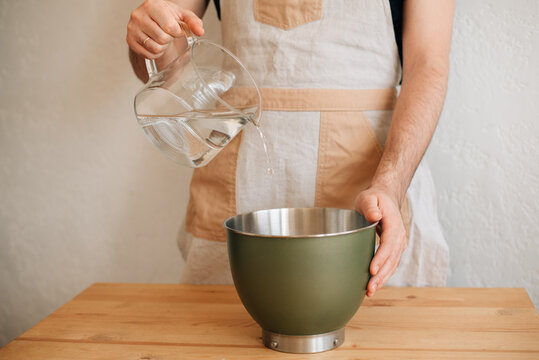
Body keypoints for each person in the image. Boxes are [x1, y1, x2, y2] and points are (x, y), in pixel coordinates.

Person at [126, 0, 454, 297]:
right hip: (238, 192)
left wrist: (389, 186)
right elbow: (169, 67)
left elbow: (427, 63)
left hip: (368, 188)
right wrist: (151, 39)